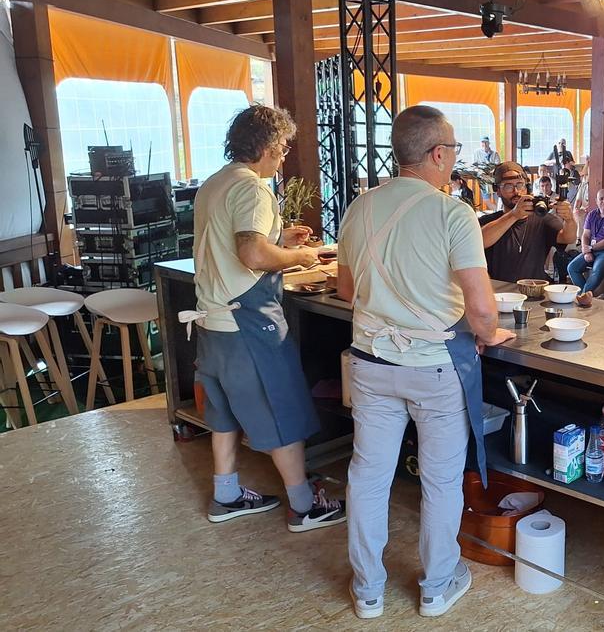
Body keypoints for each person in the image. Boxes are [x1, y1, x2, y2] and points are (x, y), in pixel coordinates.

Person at [336, 105, 515, 619]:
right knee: (439, 480)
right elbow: (481, 309)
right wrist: (488, 331)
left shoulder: (360, 208)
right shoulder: (451, 212)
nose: (455, 160)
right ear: (438, 154)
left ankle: (368, 591)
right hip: (435, 366)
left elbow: (348, 289)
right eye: (454, 151)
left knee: (368, 477)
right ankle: (436, 585)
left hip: (370, 362)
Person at [188, 105, 344, 532]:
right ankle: (303, 505)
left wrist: (280, 239)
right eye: (284, 145)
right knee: (282, 408)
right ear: (270, 145)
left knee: (223, 413)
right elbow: (252, 254)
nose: (285, 152)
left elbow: (237, 242)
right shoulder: (254, 188)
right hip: (248, 322)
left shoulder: (215, 182)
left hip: (212, 319)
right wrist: (301, 255)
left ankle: (227, 495)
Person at [478, 162, 574, 283]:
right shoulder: (488, 221)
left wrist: (569, 219)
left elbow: (568, 238)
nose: (516, 191)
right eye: (508, 186)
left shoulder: (542, 219)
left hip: (534, 290)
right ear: (498, 191)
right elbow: (479, 241)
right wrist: (514, 214)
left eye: (520, 185)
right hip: (499, 293)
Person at [567, 187, 604, 294]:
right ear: (596, 201)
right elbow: (585, 235)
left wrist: (591, 248)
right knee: (572, 267)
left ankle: (582, 296)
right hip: (591, 249)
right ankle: (585, 296)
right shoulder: (591, 214)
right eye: (601, 199)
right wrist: (586, 250)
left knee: (596, 271)